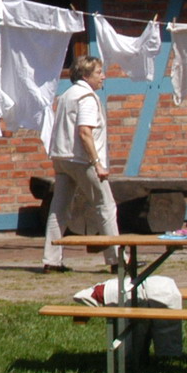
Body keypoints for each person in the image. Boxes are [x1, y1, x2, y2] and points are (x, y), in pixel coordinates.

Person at [42, 55, 116, 274]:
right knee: (106, 205)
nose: (103, 76)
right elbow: (85, 132)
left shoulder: (66, 95)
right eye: (98, 72)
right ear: (85, 75)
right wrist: (97, 163)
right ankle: (117, 259)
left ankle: (51, 260)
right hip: (81, 159)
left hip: (62, 158)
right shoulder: (87, 97)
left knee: (59, 209)